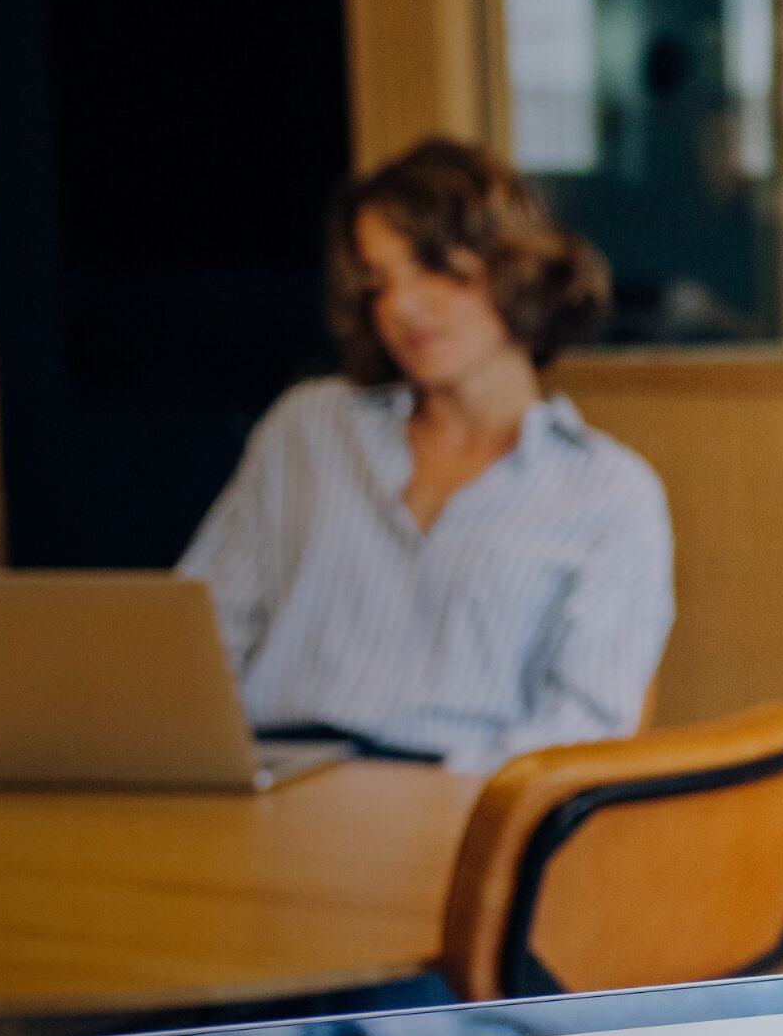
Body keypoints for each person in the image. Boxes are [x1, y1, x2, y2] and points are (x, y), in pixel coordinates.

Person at [180, 137, 673, 774]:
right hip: (279, 787)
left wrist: (440, 806)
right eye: (378, 281)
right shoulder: (307, 430)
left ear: (514, 266)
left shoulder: (608, 492)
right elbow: (200, 642)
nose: (401, 307)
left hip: (465, 808)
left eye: (432, 267)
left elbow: (584, 728)